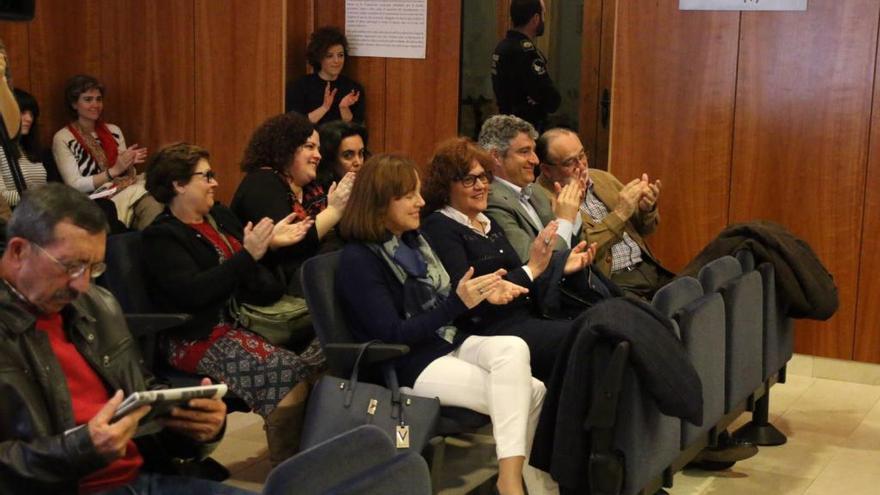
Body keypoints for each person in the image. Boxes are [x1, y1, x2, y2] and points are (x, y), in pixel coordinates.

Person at [0, 183, 252, 494]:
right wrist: (79, 450)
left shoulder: (97, 304)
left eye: (93, 268)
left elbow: (139, 397)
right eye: (70, 266)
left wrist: (193, 426)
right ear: (18, 251)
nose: (81, 285)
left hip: (140, 479)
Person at [337, 154, 557, 495]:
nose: (420, 202)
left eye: (418, 193)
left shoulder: (412, 241)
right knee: (531, 392)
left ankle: (513, 481)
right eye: (409, 195)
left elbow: (447, 302)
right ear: (381, 202)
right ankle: (520, 485)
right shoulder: (358, 259)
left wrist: (486, 292)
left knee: (515, 346)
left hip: (445, 341)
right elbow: (394, 335)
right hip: (408, 362)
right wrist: (459, 302)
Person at [142, 143, 326, 465]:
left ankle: (312, 453)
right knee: (286, 371)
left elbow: (249, 269)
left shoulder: (219, 215)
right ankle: (292, 471)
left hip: (244, 319)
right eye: (206, 176)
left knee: (329, 338)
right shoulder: (162, 237)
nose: (215, 182)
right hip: (197, 334)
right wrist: (249, 255)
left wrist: (268, 245)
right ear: (178, 184)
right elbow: (193, 294)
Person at [420, 137, 600, 381]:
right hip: (490, 331)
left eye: (483, 177)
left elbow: (523, 275)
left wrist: (558, 266)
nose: (481, 186)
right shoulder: (440, 227)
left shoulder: (487, 222)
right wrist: (534, 268)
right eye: (469, 179)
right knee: (589, 338)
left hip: (528, 316)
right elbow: (468, 296)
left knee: (605, 321)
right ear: (445, 186)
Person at [536, 128, 674, 299]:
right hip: (614, 283)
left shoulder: (601, 178)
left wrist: (646, 210)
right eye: (569, 162)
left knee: (702, 289)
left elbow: (645, 230)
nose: (581, 165)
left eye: (582, 156)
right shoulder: (542, 200)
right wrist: (620, 214)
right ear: (547, 170)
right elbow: (581, 251)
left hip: (648, 268)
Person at [231, 112, 355, 295]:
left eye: (318, 149)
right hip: (274, 292)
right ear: (285, 148)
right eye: (309, 146)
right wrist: (334, 211)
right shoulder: (262, 183)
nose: (318, 155)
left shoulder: (312, 187)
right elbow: (293, 246)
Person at [52, 74, 162, 229]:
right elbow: (74, 185)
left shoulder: (114, 130)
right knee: (150, 203)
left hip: (124, 188)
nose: (95, 104)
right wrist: (113, 171)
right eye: (88, 99)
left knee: (162, 194)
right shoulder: (63, 137)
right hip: (95, 199)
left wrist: (129, 163)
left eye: (98, 99)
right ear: (74, 104)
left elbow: (125, 171)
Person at [478, 115, 584, 261]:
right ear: (496, 157)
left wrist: (572, 212)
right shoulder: (490, 200)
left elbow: (572, 247)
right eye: (524, 151)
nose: (535, 160)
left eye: (533, 151)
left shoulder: (536, 192)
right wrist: (565, 220)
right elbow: (531, 260)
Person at [491, 0, 560, 132]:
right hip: (526, 129)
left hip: (506, 126)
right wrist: (537, 99)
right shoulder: (525, 52)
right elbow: (552, 99)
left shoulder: (502, 46)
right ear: (535, 19)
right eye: (543, 15)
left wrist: (535, 96)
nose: (543, 21)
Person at [286, 26, 364, 125]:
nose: (337, 61)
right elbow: (295, 125)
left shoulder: (353, 88)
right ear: (319, 58)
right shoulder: (300, 86)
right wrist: (324, 108)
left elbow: (355, 128)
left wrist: (344, 108)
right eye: (329, 56)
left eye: (340, 55)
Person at [0, 88, 49, 208]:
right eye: (23, 113)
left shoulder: (27, 148)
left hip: (39, 211)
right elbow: (1, 196)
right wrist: (40, 196)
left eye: (32, 114)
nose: (29, 119)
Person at [316, 119, 368, 191]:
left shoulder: (368, 189)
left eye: (361, 153)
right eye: (348, 155)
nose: (358, 162)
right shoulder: (315, 194)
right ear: (330, 159)